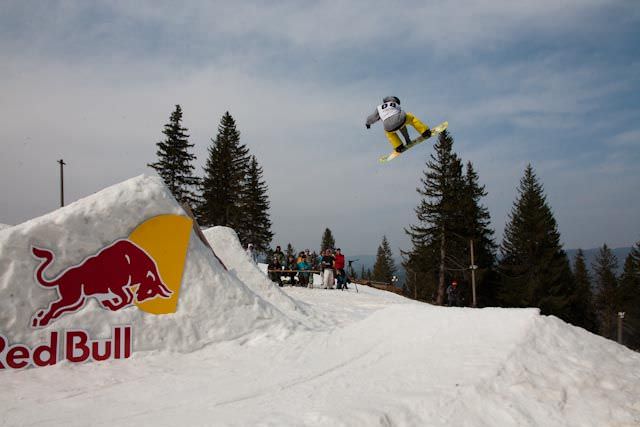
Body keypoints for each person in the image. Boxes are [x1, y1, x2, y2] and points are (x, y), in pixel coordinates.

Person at [365, 96, 431, 153]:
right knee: (411, 118)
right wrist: (407, 139)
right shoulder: (395, 104)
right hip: (400, 120)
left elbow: (373, 117)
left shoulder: (379, 108)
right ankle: (425, 132)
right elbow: (402, 127)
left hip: (388, 126)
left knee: (389, 133)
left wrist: (368, 123)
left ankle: (398, 146)